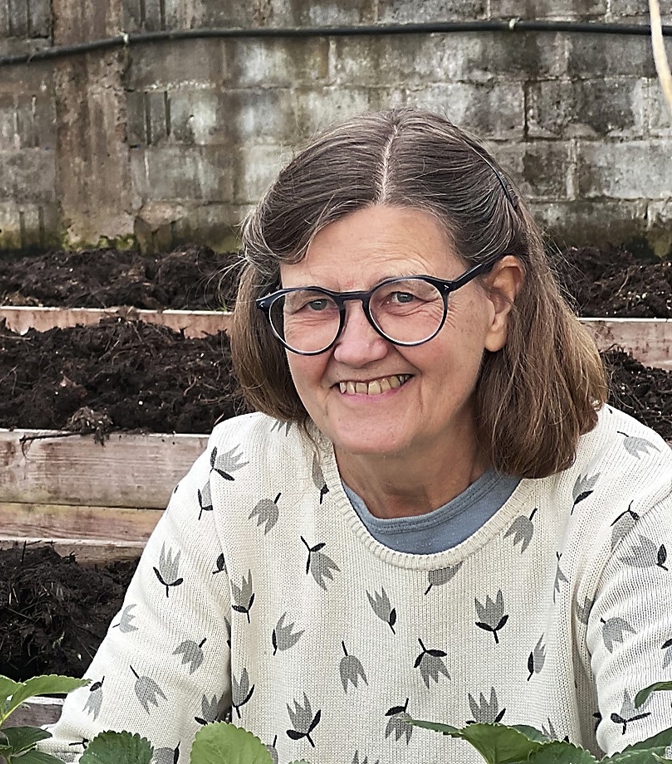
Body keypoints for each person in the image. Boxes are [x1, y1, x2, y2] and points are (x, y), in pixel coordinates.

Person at [43, 108, 672, 763]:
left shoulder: (629, 508)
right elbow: (98, 747)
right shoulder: (240, 481)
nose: (359, 347)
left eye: (402, 296)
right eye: (314, 304)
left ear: (499, 302)